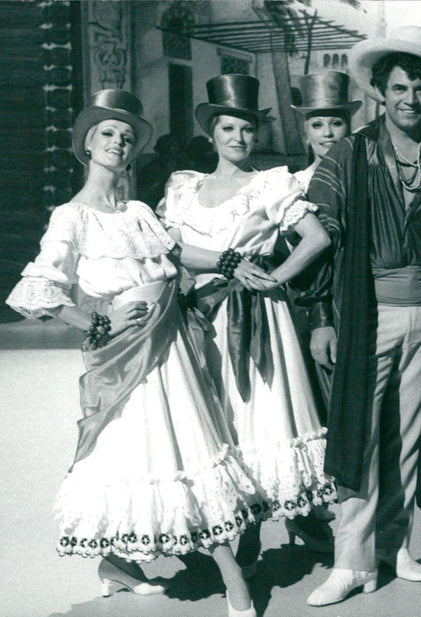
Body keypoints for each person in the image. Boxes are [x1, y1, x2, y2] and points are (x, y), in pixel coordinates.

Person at [5, 89, 260, 617]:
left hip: (171, 347)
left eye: (126, 137)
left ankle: (121, 565)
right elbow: (38, 290)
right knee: (141, 456)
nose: (118, 143)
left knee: (182, 447)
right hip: (125, 357)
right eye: (108, 135)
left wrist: (231, 261)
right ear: (86, 145)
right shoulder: (70, 217)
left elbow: (176, 252)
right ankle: (218, 571)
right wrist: (99, 320)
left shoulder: (139, 211)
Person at [300, 26, 421, 606]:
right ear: (380, 90)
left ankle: (394, 543)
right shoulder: (348, 153)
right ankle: (350, 561)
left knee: (409, 436)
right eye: (399, 87)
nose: (410, 99)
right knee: (358, 434)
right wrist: (322, 319)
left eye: (420, 89)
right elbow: (321, 234)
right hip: (366, 311)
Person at [157, 74, 337, 579]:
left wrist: (270, 279)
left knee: (258, 416)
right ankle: (223, 520)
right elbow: (167, 246)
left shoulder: (271, 183)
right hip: (194, 316)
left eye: (247, 130)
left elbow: (316, 238)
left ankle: (273, 521)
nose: (238, 138)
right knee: (210, 417)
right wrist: (225, 262)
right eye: (229, 128)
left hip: (254, 318)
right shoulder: (183, 185)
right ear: (212, 134)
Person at [289, 70, 363, 408]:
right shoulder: (292, 187)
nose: (328, 133)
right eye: (317, 125)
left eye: (336, 123)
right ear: (305, 133)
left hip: (361, 301)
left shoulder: (365, 180)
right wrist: (321, 318)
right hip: (309, 305)